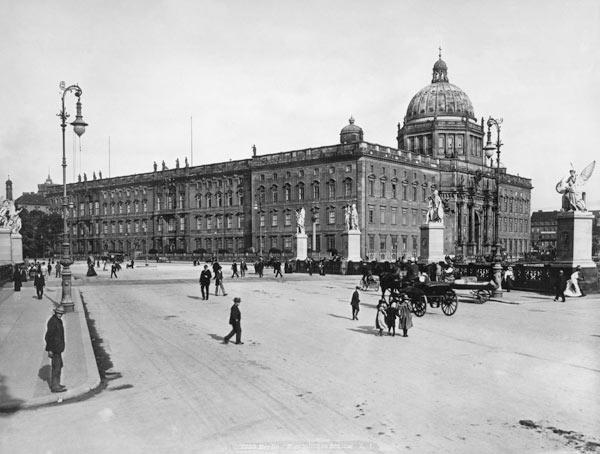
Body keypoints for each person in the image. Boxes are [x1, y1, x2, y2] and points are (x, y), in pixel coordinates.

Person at [45, 305, 67, 393]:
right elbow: (48, 336)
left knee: (59, 366)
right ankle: (55, 386)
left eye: (61, 314)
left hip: (58, 348)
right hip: (54, 348)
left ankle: (57, 383)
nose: (59, 315)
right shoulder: (53, 322)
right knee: (56, 367)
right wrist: (50, 349)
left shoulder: (58, 321)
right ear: (55, 312)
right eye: (58, 313)